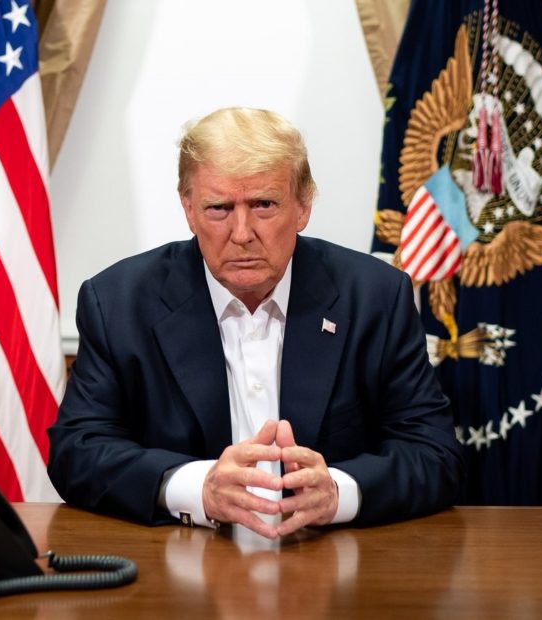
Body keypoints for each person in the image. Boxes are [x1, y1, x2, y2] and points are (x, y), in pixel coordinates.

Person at [48, 107, 462, 539]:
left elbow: (434, 454)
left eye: (263, 204)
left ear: (303, 206)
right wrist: (197, 487)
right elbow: (78, 452)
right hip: (183, 572)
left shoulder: (375, 297)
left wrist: (337, 492)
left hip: (331, 570)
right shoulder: (119, 302)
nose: (242, 232)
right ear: (188, 209)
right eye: (218, 208)